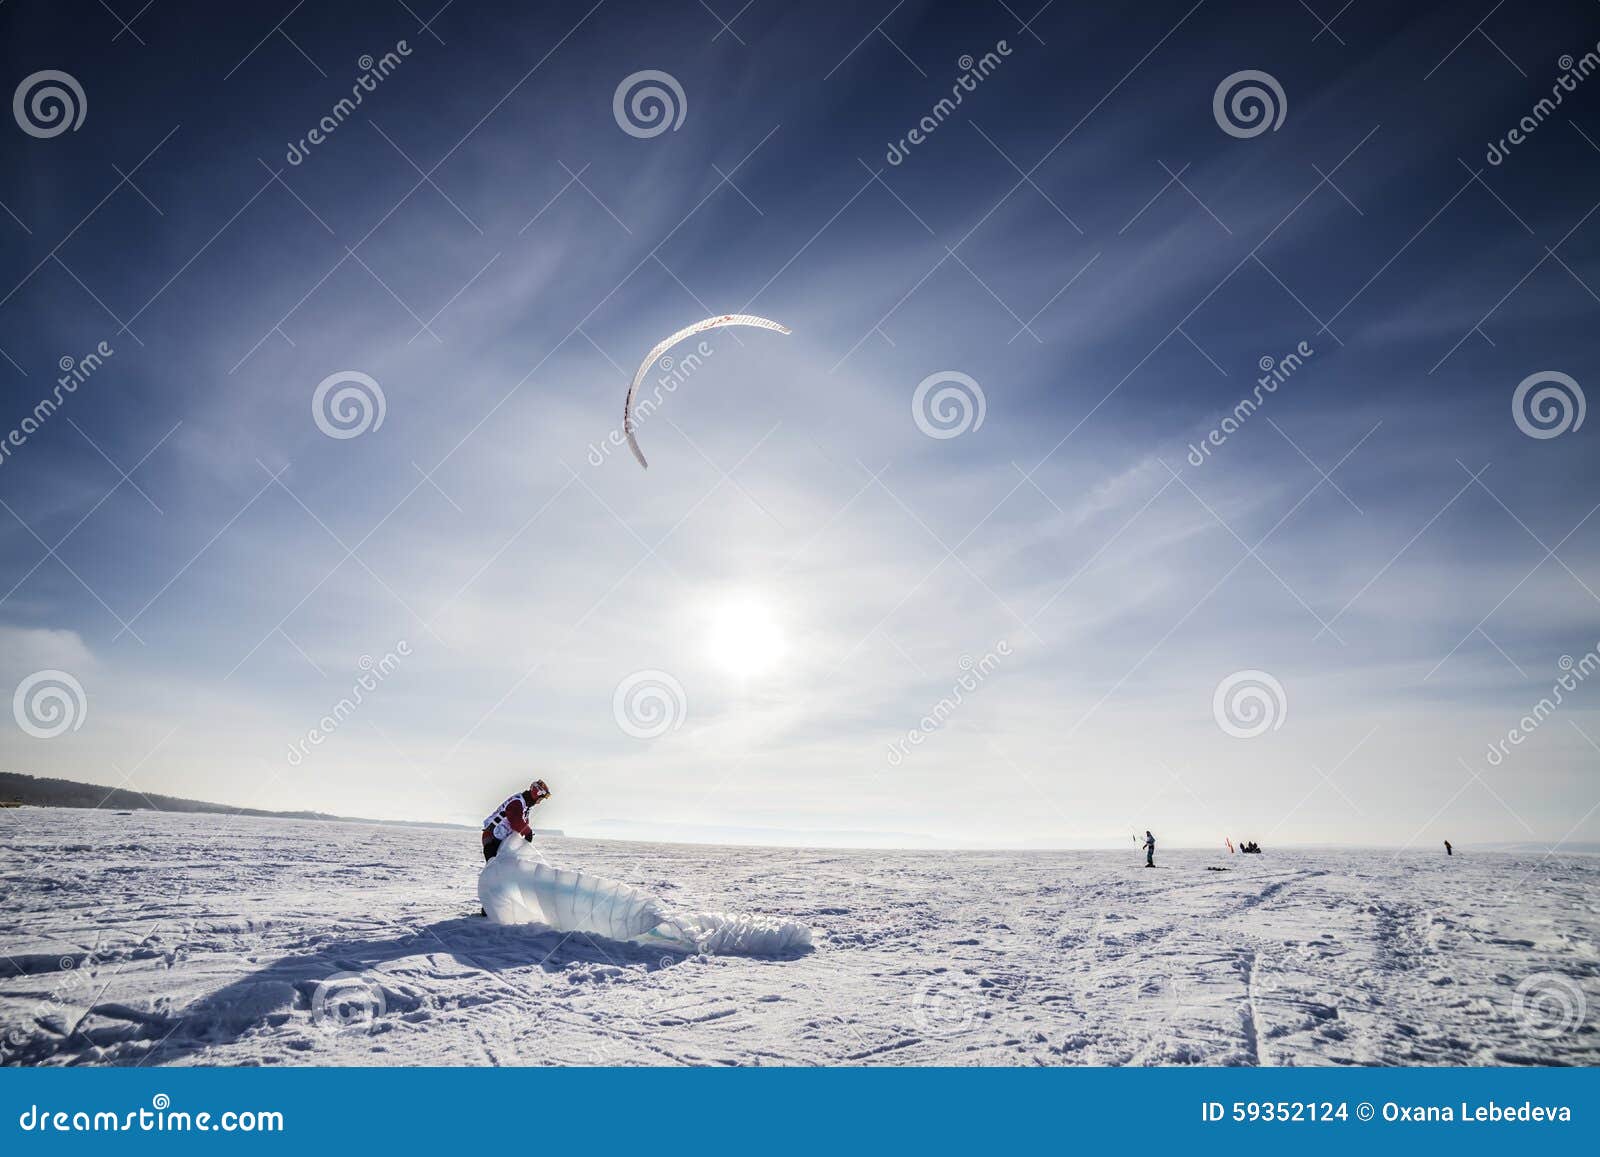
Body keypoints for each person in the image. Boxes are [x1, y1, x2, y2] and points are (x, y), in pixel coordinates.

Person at [482, 779, 551, 862]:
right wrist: (528, 832)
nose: (539, 802)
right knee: (494, 867)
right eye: (540, 799)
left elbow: (522, 823)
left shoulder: (525, 805)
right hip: (492, 838)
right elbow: (516, 822)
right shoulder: (517, 803)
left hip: (500, 839)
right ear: (536, 795)